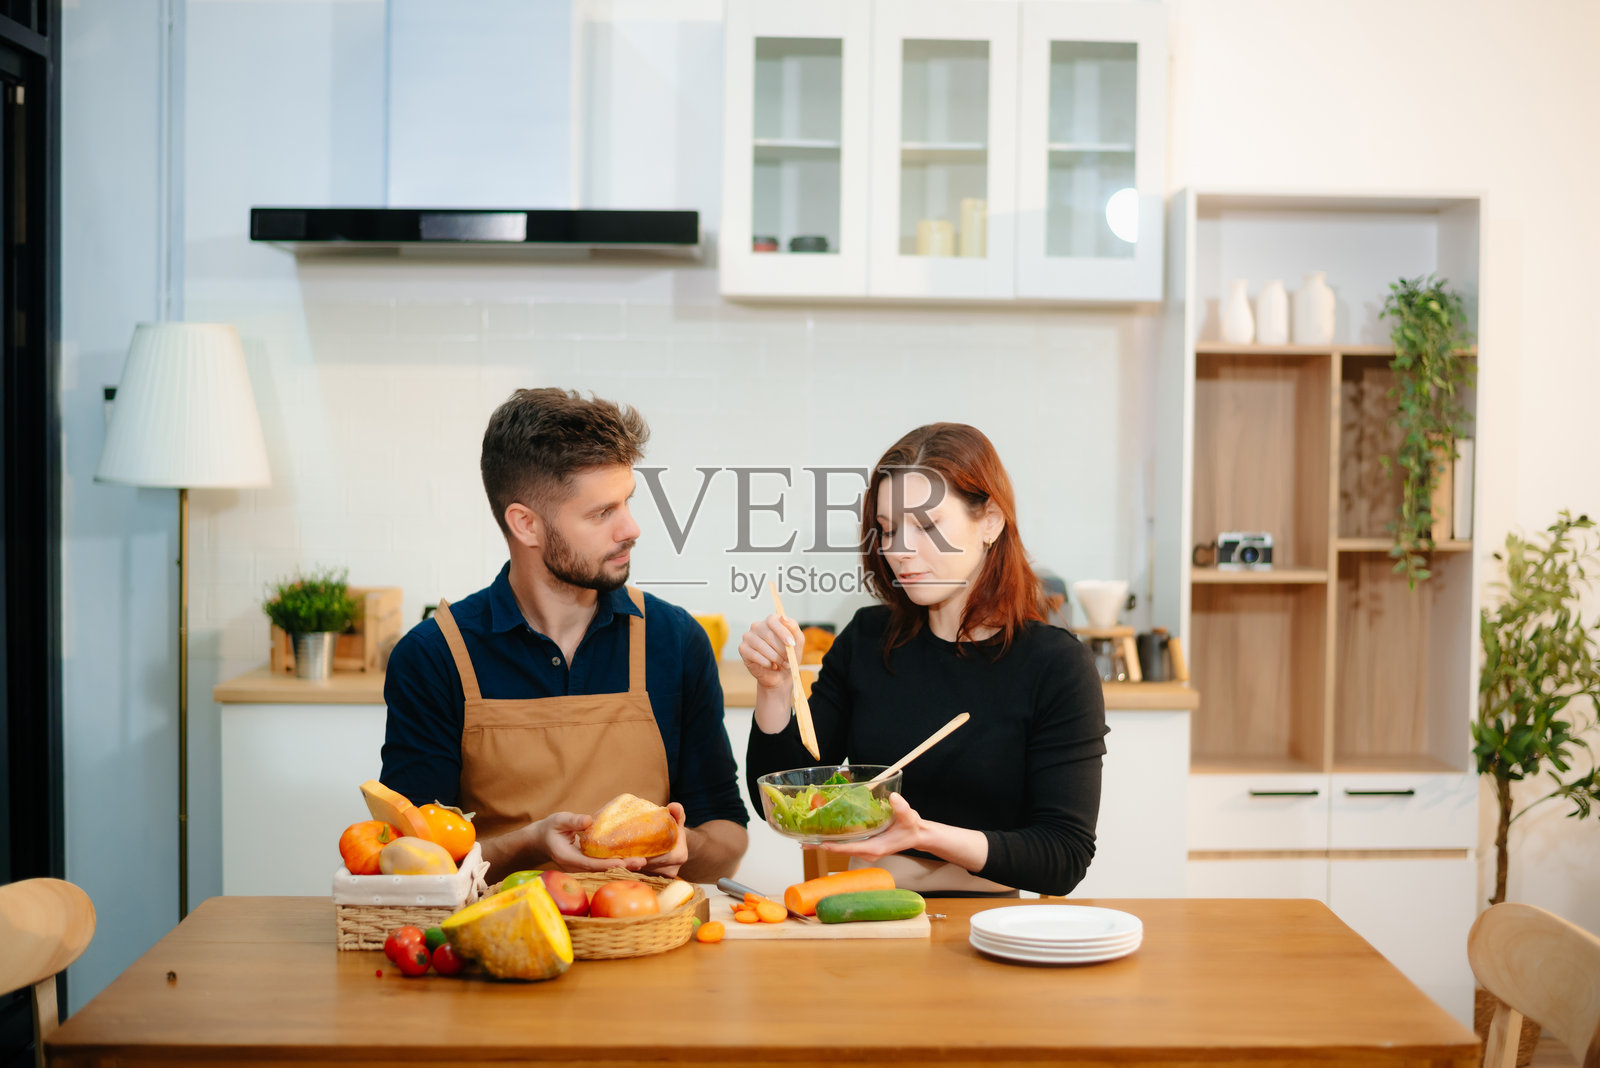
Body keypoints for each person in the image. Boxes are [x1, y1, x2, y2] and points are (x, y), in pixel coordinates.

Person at [381, 388, 749, 882]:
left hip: (646, 940)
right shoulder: (434, 657)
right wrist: (529, 844)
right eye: (602, 513)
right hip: (498, 944)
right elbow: (410, 862)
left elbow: (726, 842)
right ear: (526, 524)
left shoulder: (674, 640)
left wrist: (684, 847)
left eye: (628, 503)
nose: (632, 528)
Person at [740, 423, 1106, 896]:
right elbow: (779, 801)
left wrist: (925, 836)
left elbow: (1063, 857)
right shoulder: (868, 638)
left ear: (990, 520)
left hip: (984, 923)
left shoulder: (1055, 666)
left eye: (928, 526)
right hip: (864, 911)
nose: (899, 551)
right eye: (888, 530)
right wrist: (773, 690)